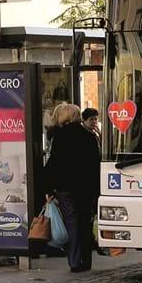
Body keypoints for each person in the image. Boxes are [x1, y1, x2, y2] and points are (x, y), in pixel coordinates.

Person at [45, 104, 100, 272]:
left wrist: (49, 188)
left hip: (65, 187)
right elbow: (94, 165)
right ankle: (87, 260)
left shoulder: (60, 136)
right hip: (85, 187)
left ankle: (74, 261)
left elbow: (54, 163)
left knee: (71, 222)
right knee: (85, 222)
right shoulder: (89, 136)